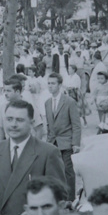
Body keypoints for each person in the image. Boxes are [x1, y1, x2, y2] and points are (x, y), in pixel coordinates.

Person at [44, 73, 82, 201]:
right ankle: (58, 197)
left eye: (53, 83)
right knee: (53, 171)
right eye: (49, 83)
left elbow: (76, 124)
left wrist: (76, 143)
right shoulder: (47, 103)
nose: (50, 86)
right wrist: (48, 141)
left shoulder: (69, 101)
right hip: (52, 142)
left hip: (66, 142)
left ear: (60, 85)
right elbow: (49, 124)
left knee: (68, 171)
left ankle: (70, 199)